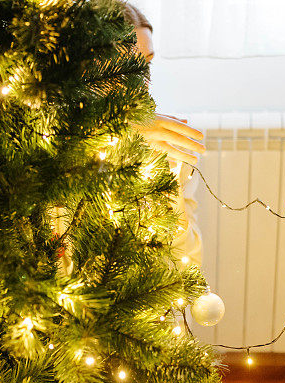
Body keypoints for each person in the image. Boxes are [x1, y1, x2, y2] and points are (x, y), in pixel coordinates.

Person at [122, 2, 206, 268]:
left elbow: (188, 261)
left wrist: (171, 195)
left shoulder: (166, 143)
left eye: (146, 62)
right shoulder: (61, 142)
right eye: (126, 64)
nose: (142, 80)